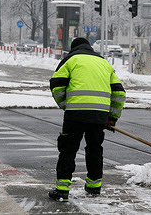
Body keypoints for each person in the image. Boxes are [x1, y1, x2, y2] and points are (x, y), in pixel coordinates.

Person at [48, 37, 126, 202]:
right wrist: (111, 117)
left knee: (68, 150)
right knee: (95, 149)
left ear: (73, 48)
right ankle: (94, 186)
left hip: (75, 113)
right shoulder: (104, 63)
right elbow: (119, 93)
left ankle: (62, 190)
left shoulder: (71, 59)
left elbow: (56, 84)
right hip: (99, 115)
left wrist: (65, 105)